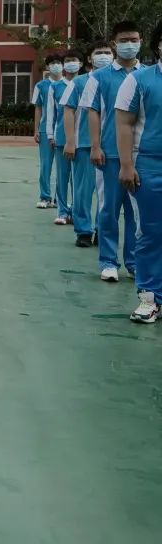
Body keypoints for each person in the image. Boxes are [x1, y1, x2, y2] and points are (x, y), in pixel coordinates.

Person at [83, 21, 141, 283]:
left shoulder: (148, 74)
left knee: (137, 213)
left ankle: (134, 262)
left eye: (134, 39)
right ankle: (108, 261)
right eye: (124, 40)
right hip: (110, 154)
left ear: (141, 42)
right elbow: (93, 112)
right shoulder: (98, 77)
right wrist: (96, 146)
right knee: (109, 209)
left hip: (141, 154)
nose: (129, 44)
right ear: (114, 44)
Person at [115, 24, 162, 324]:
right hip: (150, 166)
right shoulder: (139, 80)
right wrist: (126, 165)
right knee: (151, 231)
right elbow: (124, 123)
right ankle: (149, 297)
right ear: (157, 45)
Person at [64, 43, 109, 248]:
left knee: (106, 193)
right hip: (83, 144)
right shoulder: (79, 82)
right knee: (83, 191)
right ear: (90, 59)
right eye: (99, 53)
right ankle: (83, 230)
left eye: (107, 53)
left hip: (110, 145)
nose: (103, 56)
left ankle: (102, 229)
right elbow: (68, 110)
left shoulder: (119, 80)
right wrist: (70, 141)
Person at [51, 52, 81, 225]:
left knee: (78, 180)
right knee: (62, 177)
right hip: (62, 138)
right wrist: (51, 135)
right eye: (67, 61)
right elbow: (51, 113)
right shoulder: (55, 87)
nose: (71, 63)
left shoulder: (86, 83)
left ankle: (76, 212)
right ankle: (62, 212)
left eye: (74, 60)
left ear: (81, 63)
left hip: (82, 139)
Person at [31, 54, 64, 208]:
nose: (56, 65)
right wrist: (36, 129)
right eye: (52, 63)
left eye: (58, 62)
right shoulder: (41, 86)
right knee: (46, 165)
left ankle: (59, 199)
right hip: (45, 130)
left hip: (62, 130)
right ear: (47, 66)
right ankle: (45, 197)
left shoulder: (69, 84)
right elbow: (38, 108)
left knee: (62, 167)